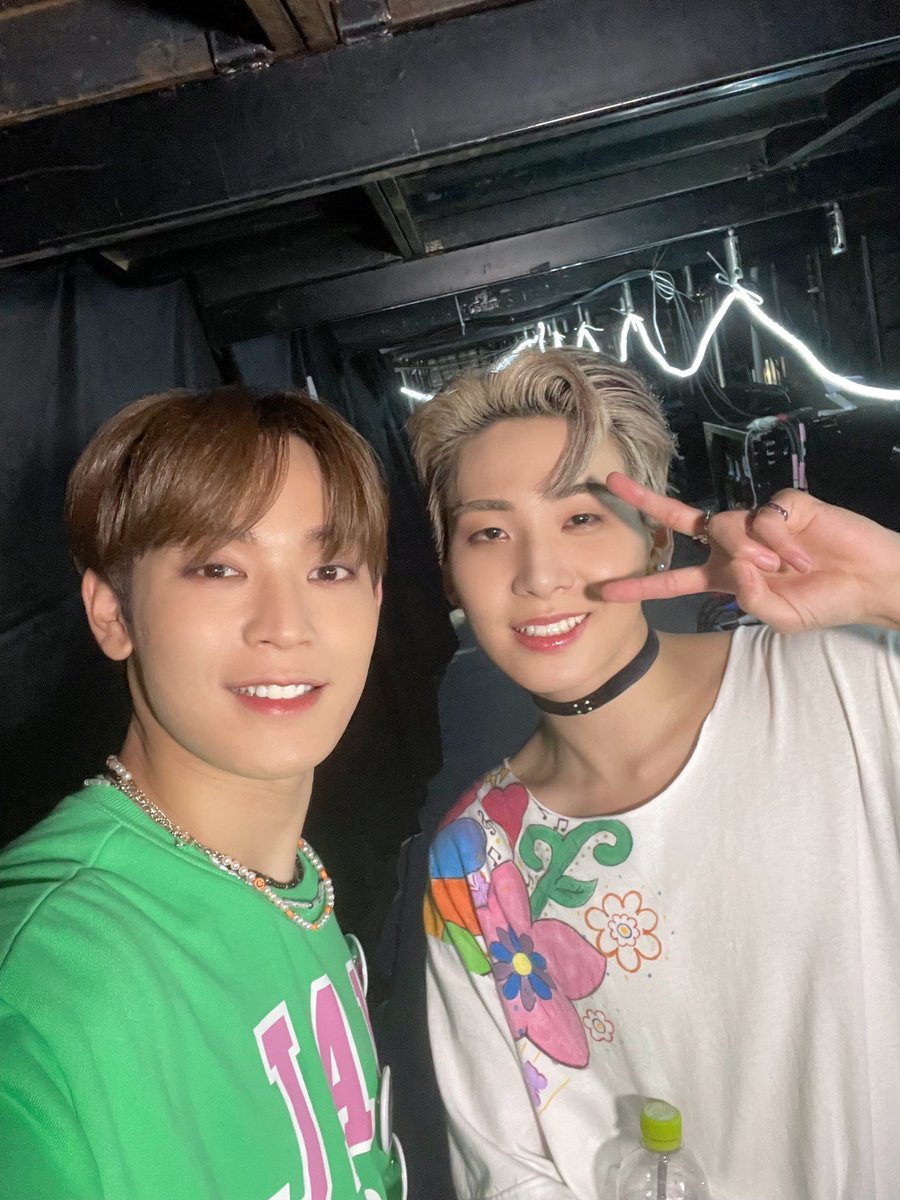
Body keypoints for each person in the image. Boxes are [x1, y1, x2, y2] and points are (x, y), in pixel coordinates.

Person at [407, 347, 900, 1200]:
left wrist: (892, 585)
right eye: (488, 532)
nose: (539, 575)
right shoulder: (475, 862)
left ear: (657, 536)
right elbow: (507, 1169)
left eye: (580, 517)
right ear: (450, 572)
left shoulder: (844, 680)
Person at [0, 386, 405, 1200]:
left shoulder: (292, 879)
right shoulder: (53, 985)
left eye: (328, 569)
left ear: (375, 603)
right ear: (113, 614)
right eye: (219, 568)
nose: (285, 624)